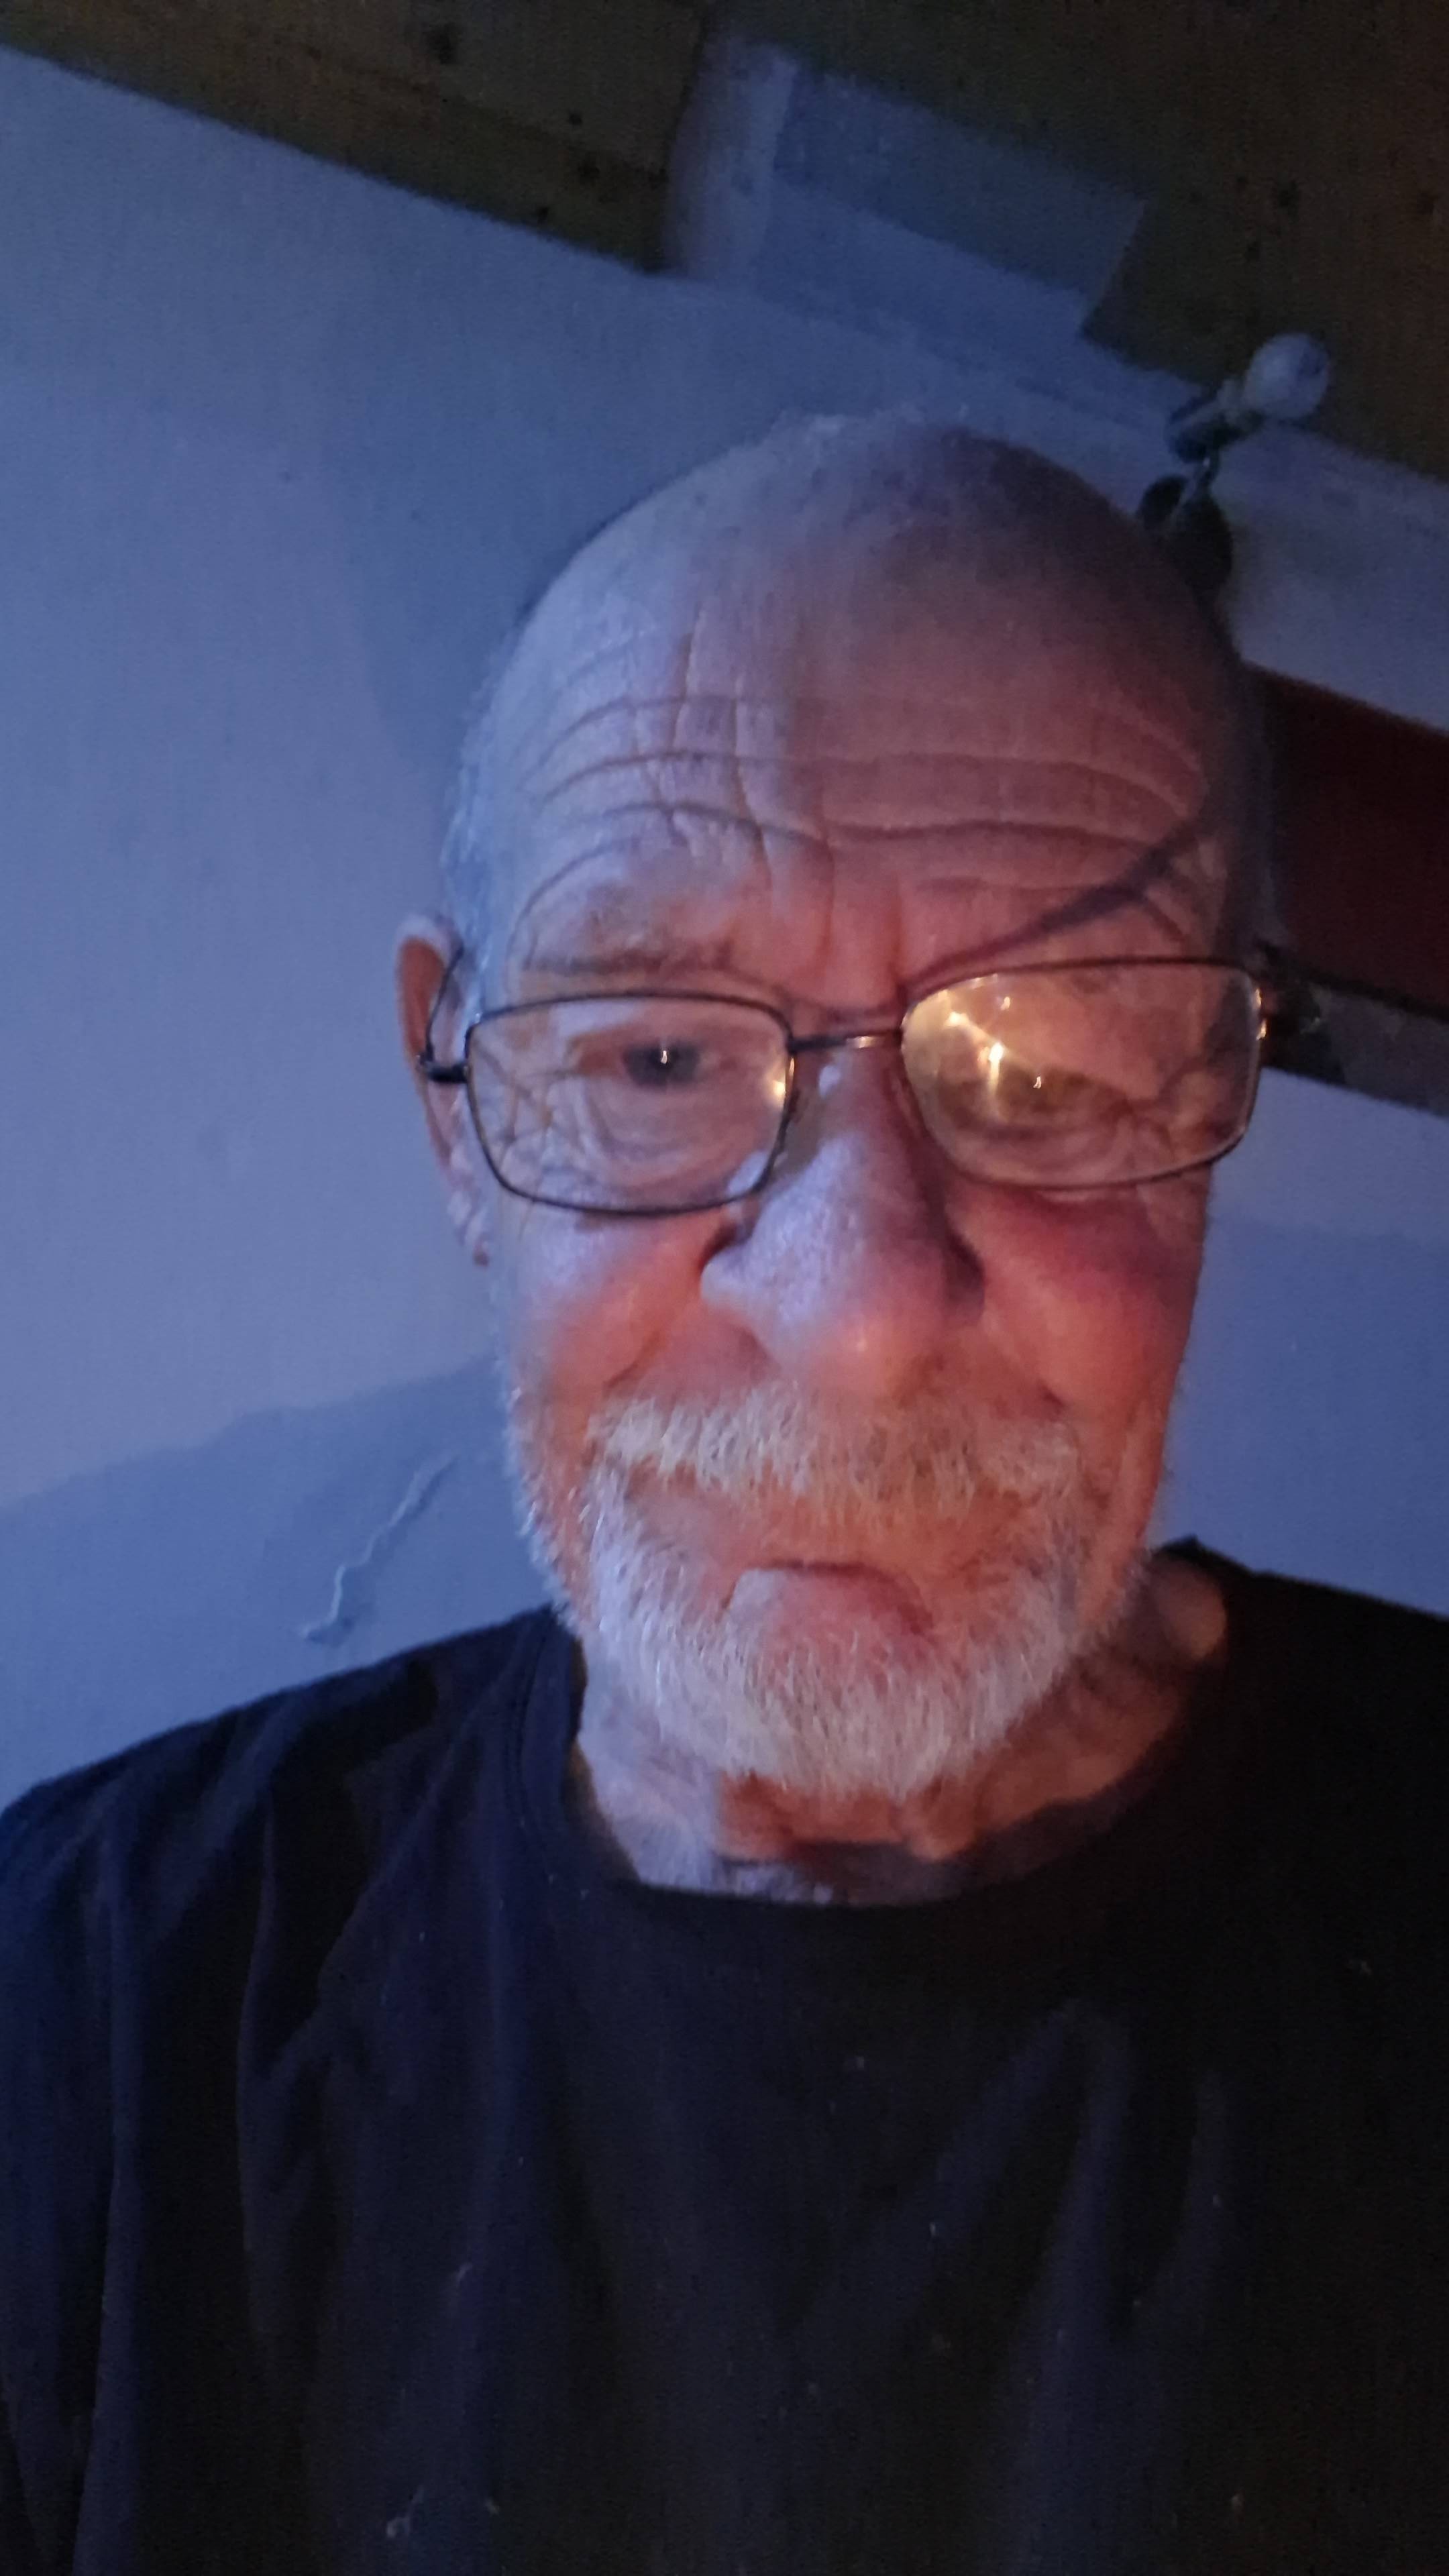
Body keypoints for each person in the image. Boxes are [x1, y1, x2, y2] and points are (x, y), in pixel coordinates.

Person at [1, 413, 1444, 2576]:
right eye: (657, 1056)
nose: (857, 1314)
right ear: (459, 1111)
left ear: (1221, 1090)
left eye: (1049, 1070)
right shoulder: (79, 2016)